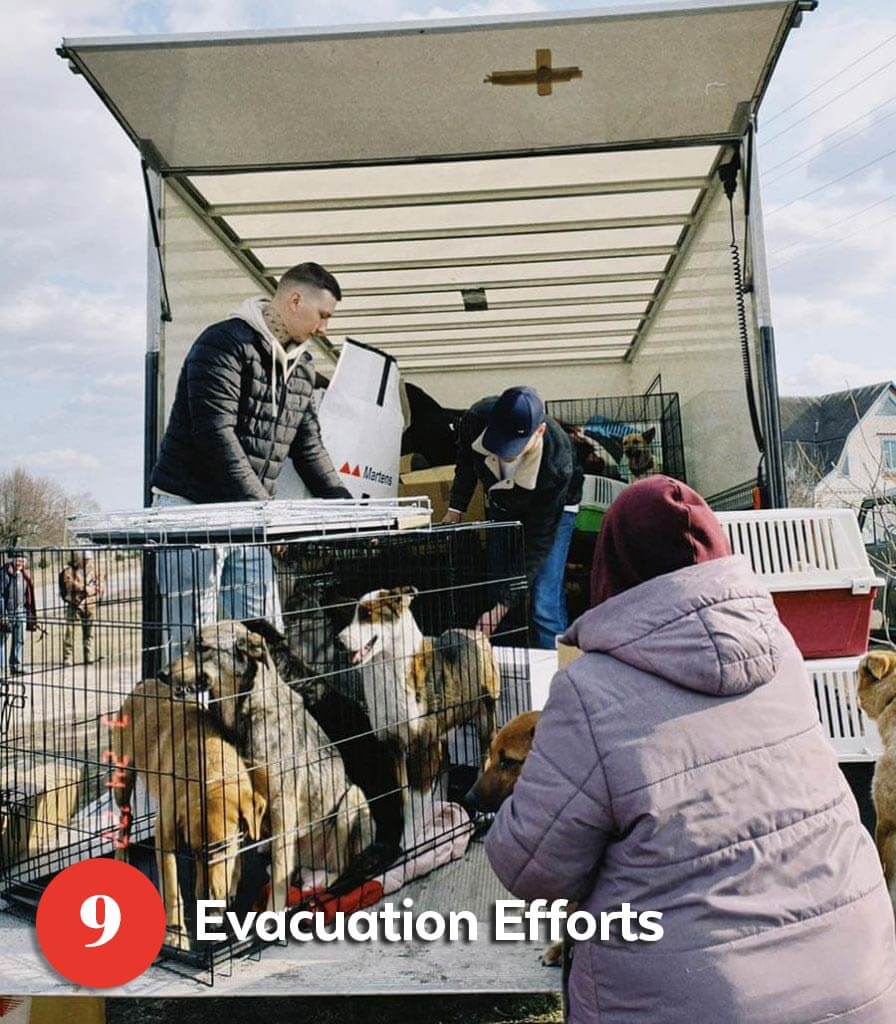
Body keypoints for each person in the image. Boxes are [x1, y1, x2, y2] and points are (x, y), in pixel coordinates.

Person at [486, 476, 896, 1023]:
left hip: (701, 1002)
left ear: (611, 569)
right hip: (860, 978)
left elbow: (530, 869)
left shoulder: (590, 691)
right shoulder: (780, 652)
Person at [149, 262, 352, 656]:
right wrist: (265, 512)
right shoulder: (223, 344)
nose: (324, 328)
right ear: (295, 300)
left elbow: (308, 444)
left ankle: (246, 717)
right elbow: (215, 435)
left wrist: (345, 506)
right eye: (322, 315)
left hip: (249, 517)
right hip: (193, 510)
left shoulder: (302, 369)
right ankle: (188, 717)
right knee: (193, 644)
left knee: (258, 637)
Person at [443, 386, 582, 649]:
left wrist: (499, 610)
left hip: (554, 510)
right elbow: (466, 465)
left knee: (544, 598)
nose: (504, 451)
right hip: (504, 500)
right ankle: (507, 666)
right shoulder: (476, 417)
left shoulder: (557, 464)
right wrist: (455, 509)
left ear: (539, 432)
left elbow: (538, 544)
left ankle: (558, 674)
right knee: (499, 581)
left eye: (513, 446)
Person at [59, 552, 104, 666]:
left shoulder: (96, 571)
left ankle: (89, 656)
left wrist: (92, 590)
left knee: (89, 633)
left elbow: (101, 586)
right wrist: (84, 588)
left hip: (90, 605)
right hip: (74, 605)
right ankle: (67, 658)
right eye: (84, 559)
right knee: (70, 632)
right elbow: (69, 583)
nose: (86, 562)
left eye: (88, 559)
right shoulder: (69, 570)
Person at [0, 552, 38, 676]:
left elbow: (28, 595)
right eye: (18, 560)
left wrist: (29, 613)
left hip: (20, 611)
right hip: (7, 612)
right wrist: (3, 614)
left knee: (19, 640)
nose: (21, 563)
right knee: (2, 640)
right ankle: (2, 668)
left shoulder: (24, 575)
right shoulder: (4, 574)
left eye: (23, 561)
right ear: (13, 560)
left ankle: (15, 666)